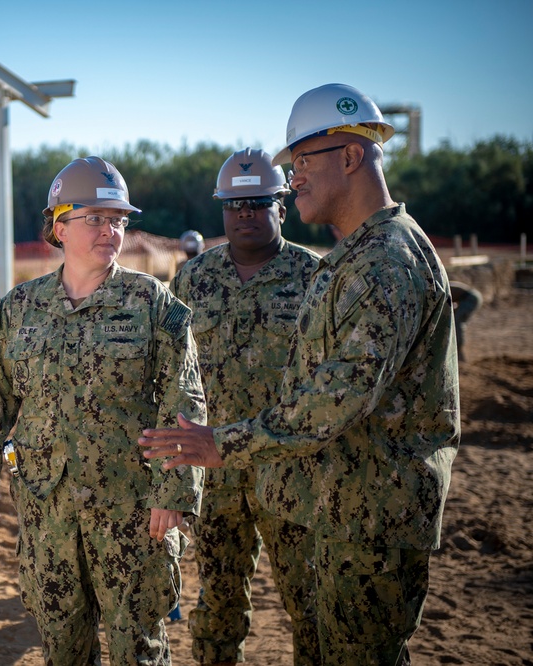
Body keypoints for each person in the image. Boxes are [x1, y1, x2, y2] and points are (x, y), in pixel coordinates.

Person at [140, 84, 460, 665]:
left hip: (363, 510)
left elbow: (334, 400)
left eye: (303, 162)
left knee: (331, 635)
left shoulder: (382, 263)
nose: (296, 177)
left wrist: (219, 442)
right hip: (329, 498)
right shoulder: (357, 259)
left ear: (352, 156)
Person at [0, 156, 206, 665]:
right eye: (95, 218)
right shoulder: (15, 311)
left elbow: (185, 401)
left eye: (118, 220)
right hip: (48, 513)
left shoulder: (154, 304)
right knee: (63, 649)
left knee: (140, 649)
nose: (110, 231)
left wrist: (174, 492)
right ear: (58, 226)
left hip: (133, 513)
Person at [172, 147, 321, 666]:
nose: (246, 215)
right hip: (213, 471)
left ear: (282, 204)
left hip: (291, 470)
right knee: (217, 600)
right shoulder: (193, 280)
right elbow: (173, 373)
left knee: (310, 603)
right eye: (235, 206)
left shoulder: (316, 277)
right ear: (221, 211)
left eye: (258, 203)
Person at [449, 281, 482, 362]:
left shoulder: (439, 288)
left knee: (457, 322)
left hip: (470, 298)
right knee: (457, 321)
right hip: (472, 297)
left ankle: (459, 352)